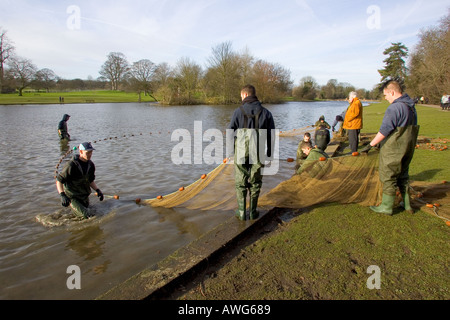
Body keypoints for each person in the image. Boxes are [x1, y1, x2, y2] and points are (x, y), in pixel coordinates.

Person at [360, 80, 419, 215]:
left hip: (394, 148)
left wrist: (371, 145)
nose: (385, 98)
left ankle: (386, 207)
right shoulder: (411, 107)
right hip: (408, 148)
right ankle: (407, 204)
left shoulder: (394, 108)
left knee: (388, 176)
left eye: (386, 95)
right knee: (403, 175)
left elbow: (384, 131)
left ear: (392, 92)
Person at [228, 85, 275, 221]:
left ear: (244, 95)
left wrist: (231, 152)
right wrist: (270, 154)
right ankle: (253, 212)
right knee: (255, 181)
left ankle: (242, 212)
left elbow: (230, 132)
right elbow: (271, 135)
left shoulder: (238, 111)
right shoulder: (266, 113)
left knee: (240, 181)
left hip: (241, 150)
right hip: (259, 150)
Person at [56, 142, 104, 219]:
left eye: (91, 152)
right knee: (86, 215)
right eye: (87, 153)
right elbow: (59, 180)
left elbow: (90, 180)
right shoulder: (71, 165)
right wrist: (62, 195)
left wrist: (98, 190)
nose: (90, 155)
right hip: (73, 197)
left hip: (84, 196)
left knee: (91, 212)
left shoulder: (91, 165)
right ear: (81, 152)